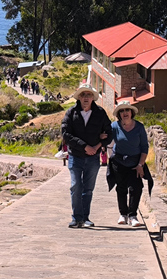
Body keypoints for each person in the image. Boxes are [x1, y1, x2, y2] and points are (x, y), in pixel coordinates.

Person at [61, 83, 113, 228]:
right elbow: (66, 134)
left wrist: (96, 146)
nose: (86, 97)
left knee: (88, 188)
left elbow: (109, 134)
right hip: (75, 157)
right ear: (79, 97)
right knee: (76, 186)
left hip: (93, 158)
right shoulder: (71, 113)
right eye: (83, 95)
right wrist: (85, 146)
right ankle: (76, 218)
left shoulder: (100, 113)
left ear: (92, 98)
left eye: (89, 95)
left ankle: (85, 218)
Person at [109, 101, 149, 228]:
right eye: (122, 111)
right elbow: (107, 140)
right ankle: (123, 214)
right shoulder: (114, 126)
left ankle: (133, 215)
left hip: (135, 162)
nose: (125, 113)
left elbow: (144, 147)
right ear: (119, 114)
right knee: (121, 188)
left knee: (135, 188)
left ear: (132, 113)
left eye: (127, 110)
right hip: (119, 162)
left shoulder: (139, 127)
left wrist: (140, 165)